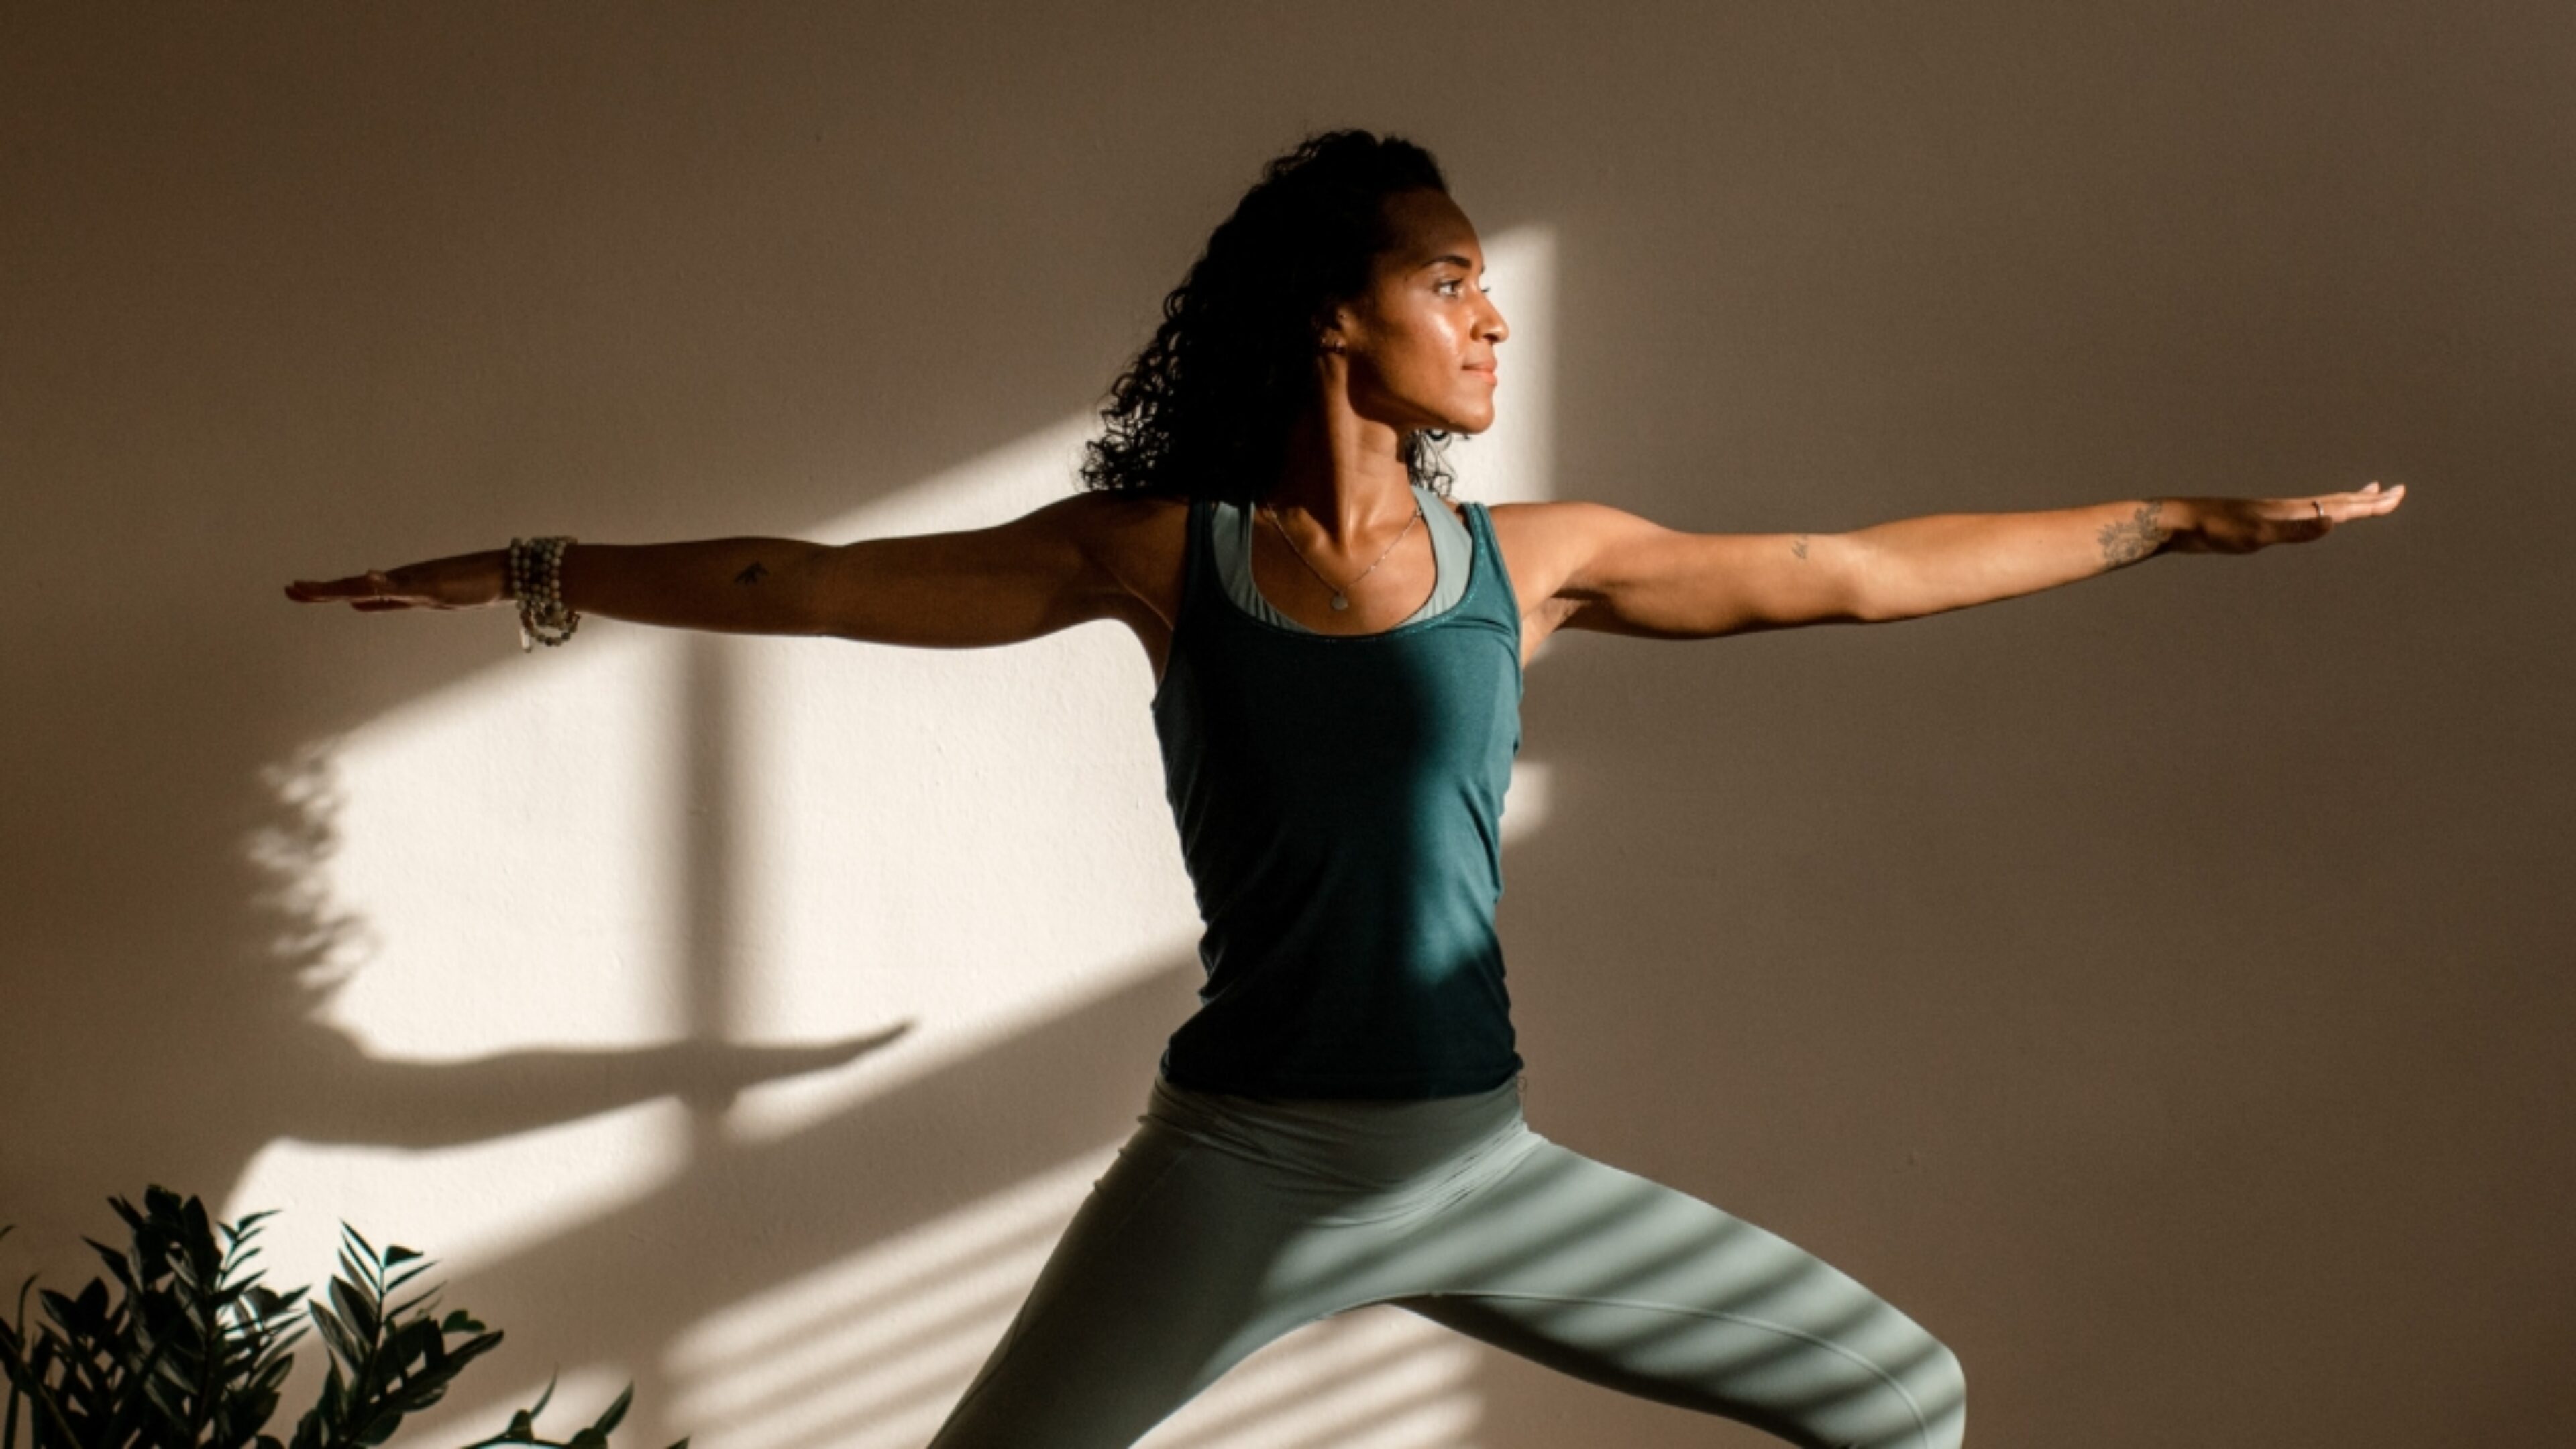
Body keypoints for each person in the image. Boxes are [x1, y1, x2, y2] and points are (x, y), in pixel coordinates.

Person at [289, 129, 2403, 1449]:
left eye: (1489, 281)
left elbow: (1851, 572)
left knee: (1903, 1400)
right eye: (1448, 280)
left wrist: (2163, 522)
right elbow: (821, 582)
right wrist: (537, 569)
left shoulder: (1535, 565)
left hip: (1476, 1163)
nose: (1491, 317)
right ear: (1333, 313)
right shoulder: (1159, 559)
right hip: (1246, 1169)